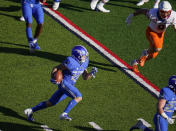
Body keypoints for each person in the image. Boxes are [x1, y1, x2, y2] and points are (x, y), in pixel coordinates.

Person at [24, 45, 98, 121]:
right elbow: (56, 68)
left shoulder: (85, 62)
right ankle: (65, 114)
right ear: (77, 55)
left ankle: (30, 111)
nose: (85, 57)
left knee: (51, 102)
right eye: (83, 55)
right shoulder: (70, 62)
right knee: (78, 96)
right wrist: (53, 77)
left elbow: (85, 77)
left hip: (70, 85)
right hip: (63, 83)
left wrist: (91, 74)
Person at [126, 1, 176, 73]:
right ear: (159, 10)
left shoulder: (174, 15)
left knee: (153, 55)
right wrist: (131, 15)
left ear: (170, 11)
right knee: (158, 48)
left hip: (160, 35)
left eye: (167, 12)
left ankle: (135, 62)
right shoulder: (153, 12)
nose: (165, 14)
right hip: (151, 32)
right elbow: (143, 11)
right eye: (162, 11)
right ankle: (145, 52)